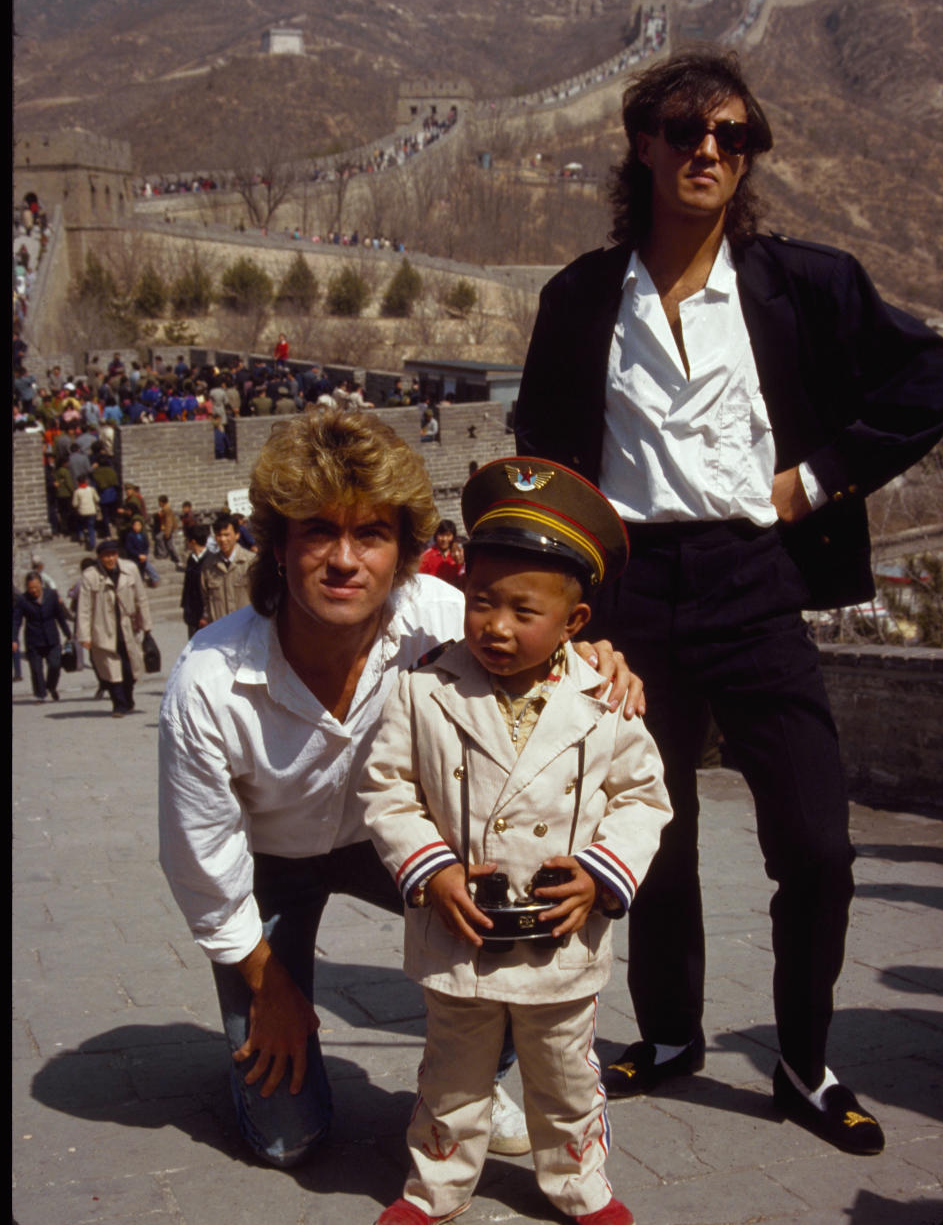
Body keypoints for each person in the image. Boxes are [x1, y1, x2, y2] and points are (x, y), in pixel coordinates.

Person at [514, 48, 943, 1156]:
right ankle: (667, 1039)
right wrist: (574, 614)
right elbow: (545, 458)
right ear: (643, 145)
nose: (710, 150)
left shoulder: (804, 283)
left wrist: (819, 476)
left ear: (748, 154)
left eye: (734, 136)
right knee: (651, 838)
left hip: (757, 581)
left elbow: (931, 376)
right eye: (686, 130)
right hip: (629, 590)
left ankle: (805, 1062)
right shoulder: (578, 299)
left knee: (817, 845)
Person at [158, 408, 643, 1172]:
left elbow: (542, 647)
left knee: (513, 900)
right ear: (279, 546)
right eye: (319, 530)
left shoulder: (443, 622)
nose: (345, 560)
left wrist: (597, 659)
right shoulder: (209, 681)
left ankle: (489, 1073)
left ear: (406, 554)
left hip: (400, 845)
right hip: (267, 864)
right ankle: (257, 1027)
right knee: (287, 1139)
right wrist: (268, 982)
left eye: (372, 535)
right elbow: (203, 866)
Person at [360, 458, 671, 1225]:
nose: (495, 626)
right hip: (457, 934)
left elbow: (643, 798)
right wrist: (430, 871)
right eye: (481, 603)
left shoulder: (606, 700)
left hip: (558, 941)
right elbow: (388, 789)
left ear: (575, 624)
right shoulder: (424, 689)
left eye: (522, 611)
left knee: (566, 1074)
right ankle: (437, 1184)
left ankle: (578, 1182)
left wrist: (602, 877)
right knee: (452, 1074)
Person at [76, 539, 154, 717]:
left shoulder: (130, 569)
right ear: (99, 557)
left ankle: (128, 697)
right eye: (106, 556)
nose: (110, 559)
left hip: (128, 628)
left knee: (130, 668)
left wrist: (147, 626)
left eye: (113, 554)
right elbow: (84, 608)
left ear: (117, 554)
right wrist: (84, 635)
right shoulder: (90, 576)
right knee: (111, 670)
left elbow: (141, 598)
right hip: (103, 629)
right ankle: (118, 704)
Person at [13, 573, 73, 703]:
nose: (34, 590)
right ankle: (41, 694)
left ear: (41, 584)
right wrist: (14, 639)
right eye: (30, 588)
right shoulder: (22, 600)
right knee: (36, 669)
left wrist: (68, 633)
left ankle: (51, 687)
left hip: (52, 638)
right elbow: (16, 621)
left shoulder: (51, 595)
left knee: (55, 665)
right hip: (33, 640)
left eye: (36, 587)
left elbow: (60, 616)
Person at [199, 515, 255, 626]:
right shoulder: (208, 566)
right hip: (221, 632)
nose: (223, 539)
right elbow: (205, 598)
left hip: (248, 630)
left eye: (226, 534)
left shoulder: (251, 562)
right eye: (219, 535)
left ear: (237, 535)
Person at [180, 525, 213, 639]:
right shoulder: (191, 559)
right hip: (192, 613)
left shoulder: (211, 560)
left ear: (193, 541)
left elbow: (211, 592)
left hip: (206, 614)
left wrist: (206, 614)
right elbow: (187, 586)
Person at [417, 519, 465, 589]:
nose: (444, 539)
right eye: (441, 535)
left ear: (453, 536)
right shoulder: (426, 557)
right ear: (436, 536)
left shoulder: (458, 555)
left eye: (448, 535)